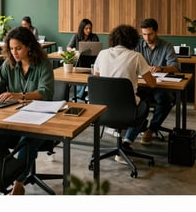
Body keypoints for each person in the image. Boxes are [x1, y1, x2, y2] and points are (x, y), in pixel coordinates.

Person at [0, 26, 54, 195]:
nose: (14, 53)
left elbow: (45, 92)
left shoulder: (43, 64)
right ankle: (14, 170)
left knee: (26, 141)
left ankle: (18, 183)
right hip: (13, 115)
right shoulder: (9, 64)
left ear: (29, 46)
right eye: (11, 49)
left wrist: (20, 95)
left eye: (18, 48)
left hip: (40, 117)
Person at [94, 24, 156, 161]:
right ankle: (128, 140)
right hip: (127, 113)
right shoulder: (136, 56)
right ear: (133, 40)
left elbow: (97, 77)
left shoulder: (102, 54)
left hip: (102, 111)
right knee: (144, 102)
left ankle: (121, 139)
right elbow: (152, 83)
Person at [135, 18, 180, 145]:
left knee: (165, 99)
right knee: (134, 97)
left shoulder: (166, 46)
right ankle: (138, 127)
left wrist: (161, 68)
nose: (147, 38)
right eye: (144, 34)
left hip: (159, 86)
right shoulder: (137, 46)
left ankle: (152, 129)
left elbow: (175, 67)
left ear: (156, 32)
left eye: (150, 34)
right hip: (142, 85)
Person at [67, 19, 99, 101]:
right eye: (86, 28)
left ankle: (85, 91)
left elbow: (97, 49)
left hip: (92, 60)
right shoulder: (76, 36)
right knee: (82, 61)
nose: (89, 30)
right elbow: (68, 48)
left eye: (90, 28)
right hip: (80, 60)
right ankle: (80, 93)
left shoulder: (94, 36)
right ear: (82, 28)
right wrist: (76, 51)